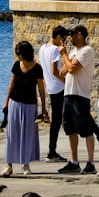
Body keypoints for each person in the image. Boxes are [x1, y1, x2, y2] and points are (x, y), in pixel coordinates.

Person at [56, 24, 98, 174]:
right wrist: (68, 59)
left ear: (80, 35)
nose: (70, 38)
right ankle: (74, 161)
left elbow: (72, 69)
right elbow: (62, 72)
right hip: (68, 93)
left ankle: (91, 162)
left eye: (72, 35)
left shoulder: (87, 51)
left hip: (80, 95)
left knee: (86, 129)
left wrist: (65, 55)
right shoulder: (74, 52)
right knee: (70, 128)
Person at [2, 40, 48, 177]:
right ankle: (8, 165)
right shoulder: (17, 65)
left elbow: (41, 89)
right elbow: (11, 85)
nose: (17, 56)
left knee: (27, 135)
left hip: (30, 105)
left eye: (19, 53)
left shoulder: (37, 68)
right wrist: (6, 102)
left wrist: (44, 108)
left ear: (24, 53)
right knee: (12, 134)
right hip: (14, 103)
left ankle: (25, 164)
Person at [38, 25, 69, 162]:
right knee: (59, 120)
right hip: (59, 87)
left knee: (56, 120)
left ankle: (52, 151)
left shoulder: (42, 48)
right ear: (58, 37)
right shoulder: (55, 50)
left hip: (51, 87)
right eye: (64, 39)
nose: (64, 43)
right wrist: (67, 80)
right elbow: (54, 71)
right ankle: (52, 152)